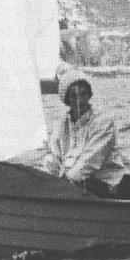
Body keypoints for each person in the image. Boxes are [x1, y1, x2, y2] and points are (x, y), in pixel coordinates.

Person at [43, 69, 125, 197]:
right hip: (71, 183)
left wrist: (64, 186)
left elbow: (89, 162)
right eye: (73, 96)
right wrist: (46, 182)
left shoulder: (103, 122)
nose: (79, 101)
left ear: (89, 95)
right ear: (66, 100)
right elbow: (53, 158)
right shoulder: (60, 124)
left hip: (101, 185)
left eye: (83, 94)